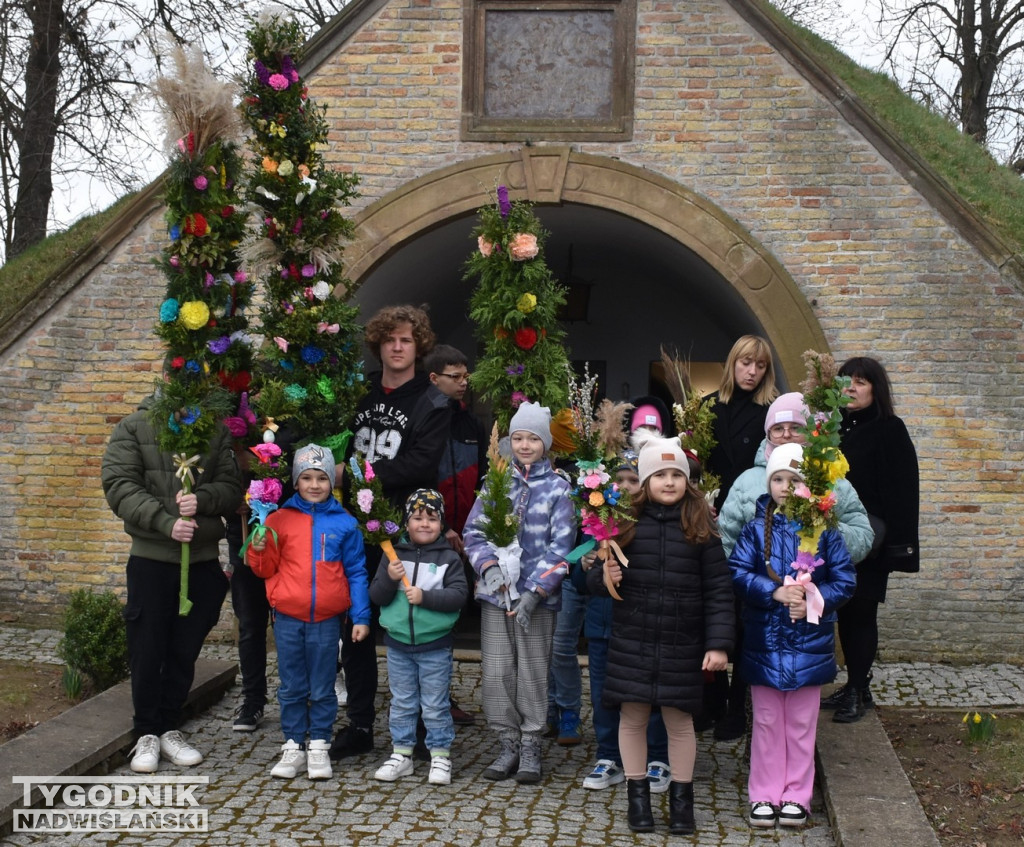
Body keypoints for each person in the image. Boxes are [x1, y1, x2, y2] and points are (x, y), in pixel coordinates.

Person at [589, 432, 735, 836]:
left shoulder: (702, 528)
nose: (668, 482)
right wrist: (606, 576)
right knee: (632, 718)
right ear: (645, 480)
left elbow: (720, 591)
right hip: (633, 638)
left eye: (676, 474)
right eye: (660, 474)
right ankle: (638, 800)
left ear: (687, 481)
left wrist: (718, 644)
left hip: (681, 642)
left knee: (679, 721)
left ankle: (682, 803)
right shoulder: (624, 526)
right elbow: (594, 582)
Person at [331, 304, 452, 761]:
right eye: (390, 339)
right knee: (356, 628)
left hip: (405, 532)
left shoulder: (434, 400)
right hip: (351, 530)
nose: (398, 347)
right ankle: (360, 724)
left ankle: (420, 728)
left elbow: (420, 465)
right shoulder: (357, 393)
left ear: (418, 347)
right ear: (378, 344)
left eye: (406, 340)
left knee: (410, 629)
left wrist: (355, 474)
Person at [101, 391, 242, 773]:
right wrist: (165, 522)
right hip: (152, 560)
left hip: (201, 562)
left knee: (184, 649)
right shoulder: (134, 426)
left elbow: (231, 487)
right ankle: (145, 732)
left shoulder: (214, 431)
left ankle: (168, 726)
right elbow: (119, 483)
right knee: (148, 647)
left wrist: (204, 499)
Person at [729, 443, 856, 828]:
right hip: (765, 644)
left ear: (808, 486)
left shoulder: (825, 531)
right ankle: (764, 793)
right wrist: (773, 593)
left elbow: (844, 580)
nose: (786, 486)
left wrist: (814, 599)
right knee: (767, 722)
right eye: (779, 479)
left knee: (802, 724)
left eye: (794, 479)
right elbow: (737, 572)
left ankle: (797, 794)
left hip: (808, 646)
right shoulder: (754, 531)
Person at [463, 401, 576, 784]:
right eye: (518, 438)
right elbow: (473, 533)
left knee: (531, 671)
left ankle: (530, 744)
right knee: (496, 671)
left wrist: (536, 592)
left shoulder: (559, 490)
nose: (525, 445)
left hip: (536, 601)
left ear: (546, 443)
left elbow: (562, 548)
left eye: (533, 438)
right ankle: (507, 741)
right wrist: (489, 569)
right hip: (497, 596)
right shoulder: (495, 482)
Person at [247, 444, 371, 780]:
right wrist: (257, 550)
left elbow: (357, 571)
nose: (314, 485)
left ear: (332, 481)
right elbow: (264, 568)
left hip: (328, 619)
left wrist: (360, 616)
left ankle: (318, 744)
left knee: (323, 684)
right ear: (296, 482)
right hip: (287, 615)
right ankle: (292, 744)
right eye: (306, 478)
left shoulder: (345, 523)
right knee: (291, 685)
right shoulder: (278, 520)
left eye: (321, 478)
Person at [822, 357, 920, 723]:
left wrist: (899, 547)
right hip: (838, 539)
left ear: (876, 389)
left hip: (874, 539)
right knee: (844, 613)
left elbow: (904, 491)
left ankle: (857, 689)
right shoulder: (831, 430)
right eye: (846, 380)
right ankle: (857, 688)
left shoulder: (889, 429)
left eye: (861, 382)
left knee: (861, 612)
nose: (851, 387)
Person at [572, 450, 672, 793]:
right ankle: (609, 755)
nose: (627, 487)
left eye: (634, 480)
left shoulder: (654, 522)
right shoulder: (596, 521)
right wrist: (584, 566)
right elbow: (576, 579)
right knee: (604, 693)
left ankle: (657, 756)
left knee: (650, 691)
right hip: (603, 625)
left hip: (643, 625)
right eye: (621, 480)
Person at [700, 336, 779, 740]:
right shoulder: (708, 407)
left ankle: (737, 709)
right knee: (713, 616)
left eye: (760, 366)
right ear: (732, 364)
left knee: (747, 623)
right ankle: (711, 700)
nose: (752, 372)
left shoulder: (770, 413)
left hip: (752, 526)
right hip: (713, 522)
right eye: (746, 363)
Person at [369, 489, 469, 785]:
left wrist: (425, 597)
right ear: (406, 522)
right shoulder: (393, 555)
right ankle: (402, 754)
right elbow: (376, 595)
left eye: (432, 518)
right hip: (399, 645)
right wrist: (389, 576)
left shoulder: (449, 558)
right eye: (417, 517)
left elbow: (459, 596)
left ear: (441, 523)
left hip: (434, 646)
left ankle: (440, 756)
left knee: (435, 703)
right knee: (402, 702)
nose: (424, 524)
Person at [424, 344, 487, 554]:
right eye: (455, 377)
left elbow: (483, 474)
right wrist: (442, 525)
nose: (464, 383)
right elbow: (418, 477)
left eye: (465, 376)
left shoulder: (472, 422)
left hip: (469, 532)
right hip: (428, 530)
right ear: (434, 378)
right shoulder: (421, 419)